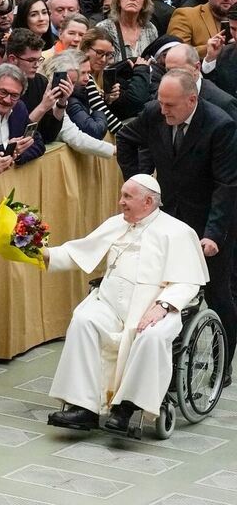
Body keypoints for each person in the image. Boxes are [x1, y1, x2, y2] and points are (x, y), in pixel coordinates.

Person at [44, 175, 211, 432]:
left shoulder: (178, 231)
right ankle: (83, 407)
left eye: (127, 197)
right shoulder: (116, 224)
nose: (120, 202)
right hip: (110, 303)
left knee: (150, 337)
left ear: (147, 201)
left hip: (154, 307)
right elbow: (76, 252)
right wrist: (37, 251)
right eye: (122, 196)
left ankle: (126, 409)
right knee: (84, 320)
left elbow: (188, 282)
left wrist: (163, 306)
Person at [117, 70, 237, 384]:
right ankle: (164, 356)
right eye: (161, 103)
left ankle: (221, 364)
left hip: (209, 219)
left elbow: (226, 185)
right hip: (167, 215)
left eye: (170, 105)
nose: (164, 110)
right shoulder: (155, 113)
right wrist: (141, 185)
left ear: (192, 100)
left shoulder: (220, 125)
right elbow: (126, 140)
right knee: (165, 288)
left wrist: (212, 235)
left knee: (217, 292)